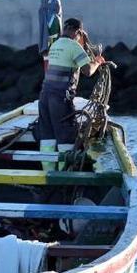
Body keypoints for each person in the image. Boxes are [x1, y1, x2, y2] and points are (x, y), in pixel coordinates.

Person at [37, 18, 104, 169]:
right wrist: (98, 61)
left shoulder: (55, 45)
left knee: (47, 136)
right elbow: (88, 71)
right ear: (78, 32)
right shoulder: (74, 46)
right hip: (60, 98)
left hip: (44, 97)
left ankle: (48, 172)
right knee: (65, 135)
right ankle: (63, 175)